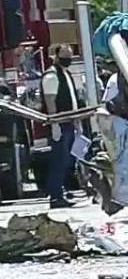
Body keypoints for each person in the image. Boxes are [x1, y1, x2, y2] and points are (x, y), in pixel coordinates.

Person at [41, 44, 80, 208]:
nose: (68, 60)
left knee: (66, 161)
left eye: (70, 56)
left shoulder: (65, 74)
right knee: (59, 160)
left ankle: (61, 192)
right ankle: (55, 197)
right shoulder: (51, 76)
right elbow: (51, 103)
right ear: (56, 57)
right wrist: (55, 125)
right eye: (64, 56)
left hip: (69, 124)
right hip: (60, 126)